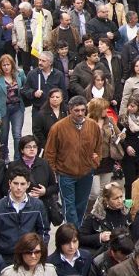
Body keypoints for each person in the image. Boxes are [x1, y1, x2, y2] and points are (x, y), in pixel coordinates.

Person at [44, 94, 102, 226]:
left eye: (82, 110)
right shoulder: (58, 128)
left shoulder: (93, 126)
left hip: (86, 173)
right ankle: (73, 234)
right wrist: (53, 173)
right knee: (69, 207)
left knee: (81, 205)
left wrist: (95, 162)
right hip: (65, 173)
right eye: (77, 110)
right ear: (70, 110)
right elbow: (50, 152)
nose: (80, 113)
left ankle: (77, 232)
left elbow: (99, 147)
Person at [0, 165, 49, 262]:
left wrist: (39, 253)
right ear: (10, 183)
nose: (19, 188)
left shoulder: (37, 205)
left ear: (28, 185)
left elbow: (44, 231)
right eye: (16, 183)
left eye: (22, 184)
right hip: (4, 258)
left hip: (30, 256)